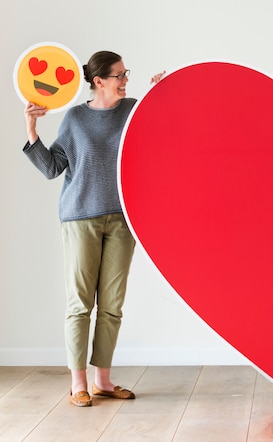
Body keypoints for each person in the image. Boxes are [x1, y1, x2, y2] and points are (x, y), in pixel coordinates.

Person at [22, 51, 164, 407]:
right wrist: (31, 129)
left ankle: (103, 380)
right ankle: (78, 383)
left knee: (112, 305)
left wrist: (161, 98)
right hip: (80, 216)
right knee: (80, 303)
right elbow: (53, 168)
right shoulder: (75, 118)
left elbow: (162, 137)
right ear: (98, 81)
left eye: (125, 74)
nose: (125, 80)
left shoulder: (132, 109)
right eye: (119, 75)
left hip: (122, 218)